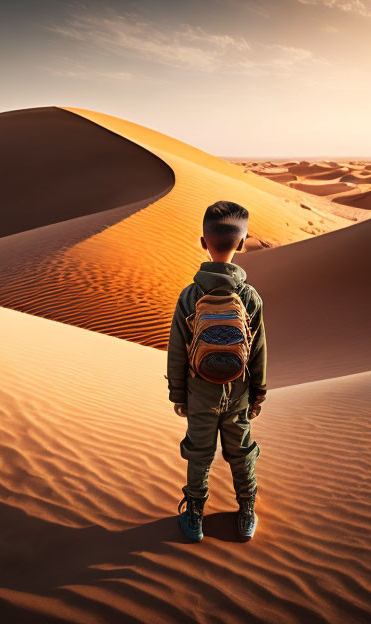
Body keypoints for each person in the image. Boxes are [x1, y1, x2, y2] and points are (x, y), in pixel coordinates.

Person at [165, 200, 268, 542]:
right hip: (238, 391)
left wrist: (178, 395)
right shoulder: (250, 297)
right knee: (241, 451)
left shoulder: (190, 295)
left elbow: (177, 349)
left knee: (199, 452)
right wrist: (258, 393)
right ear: (242, 243)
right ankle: (247, 508)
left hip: (200, 391)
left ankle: (195, 513)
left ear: (202, 242)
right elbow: (258, 350)